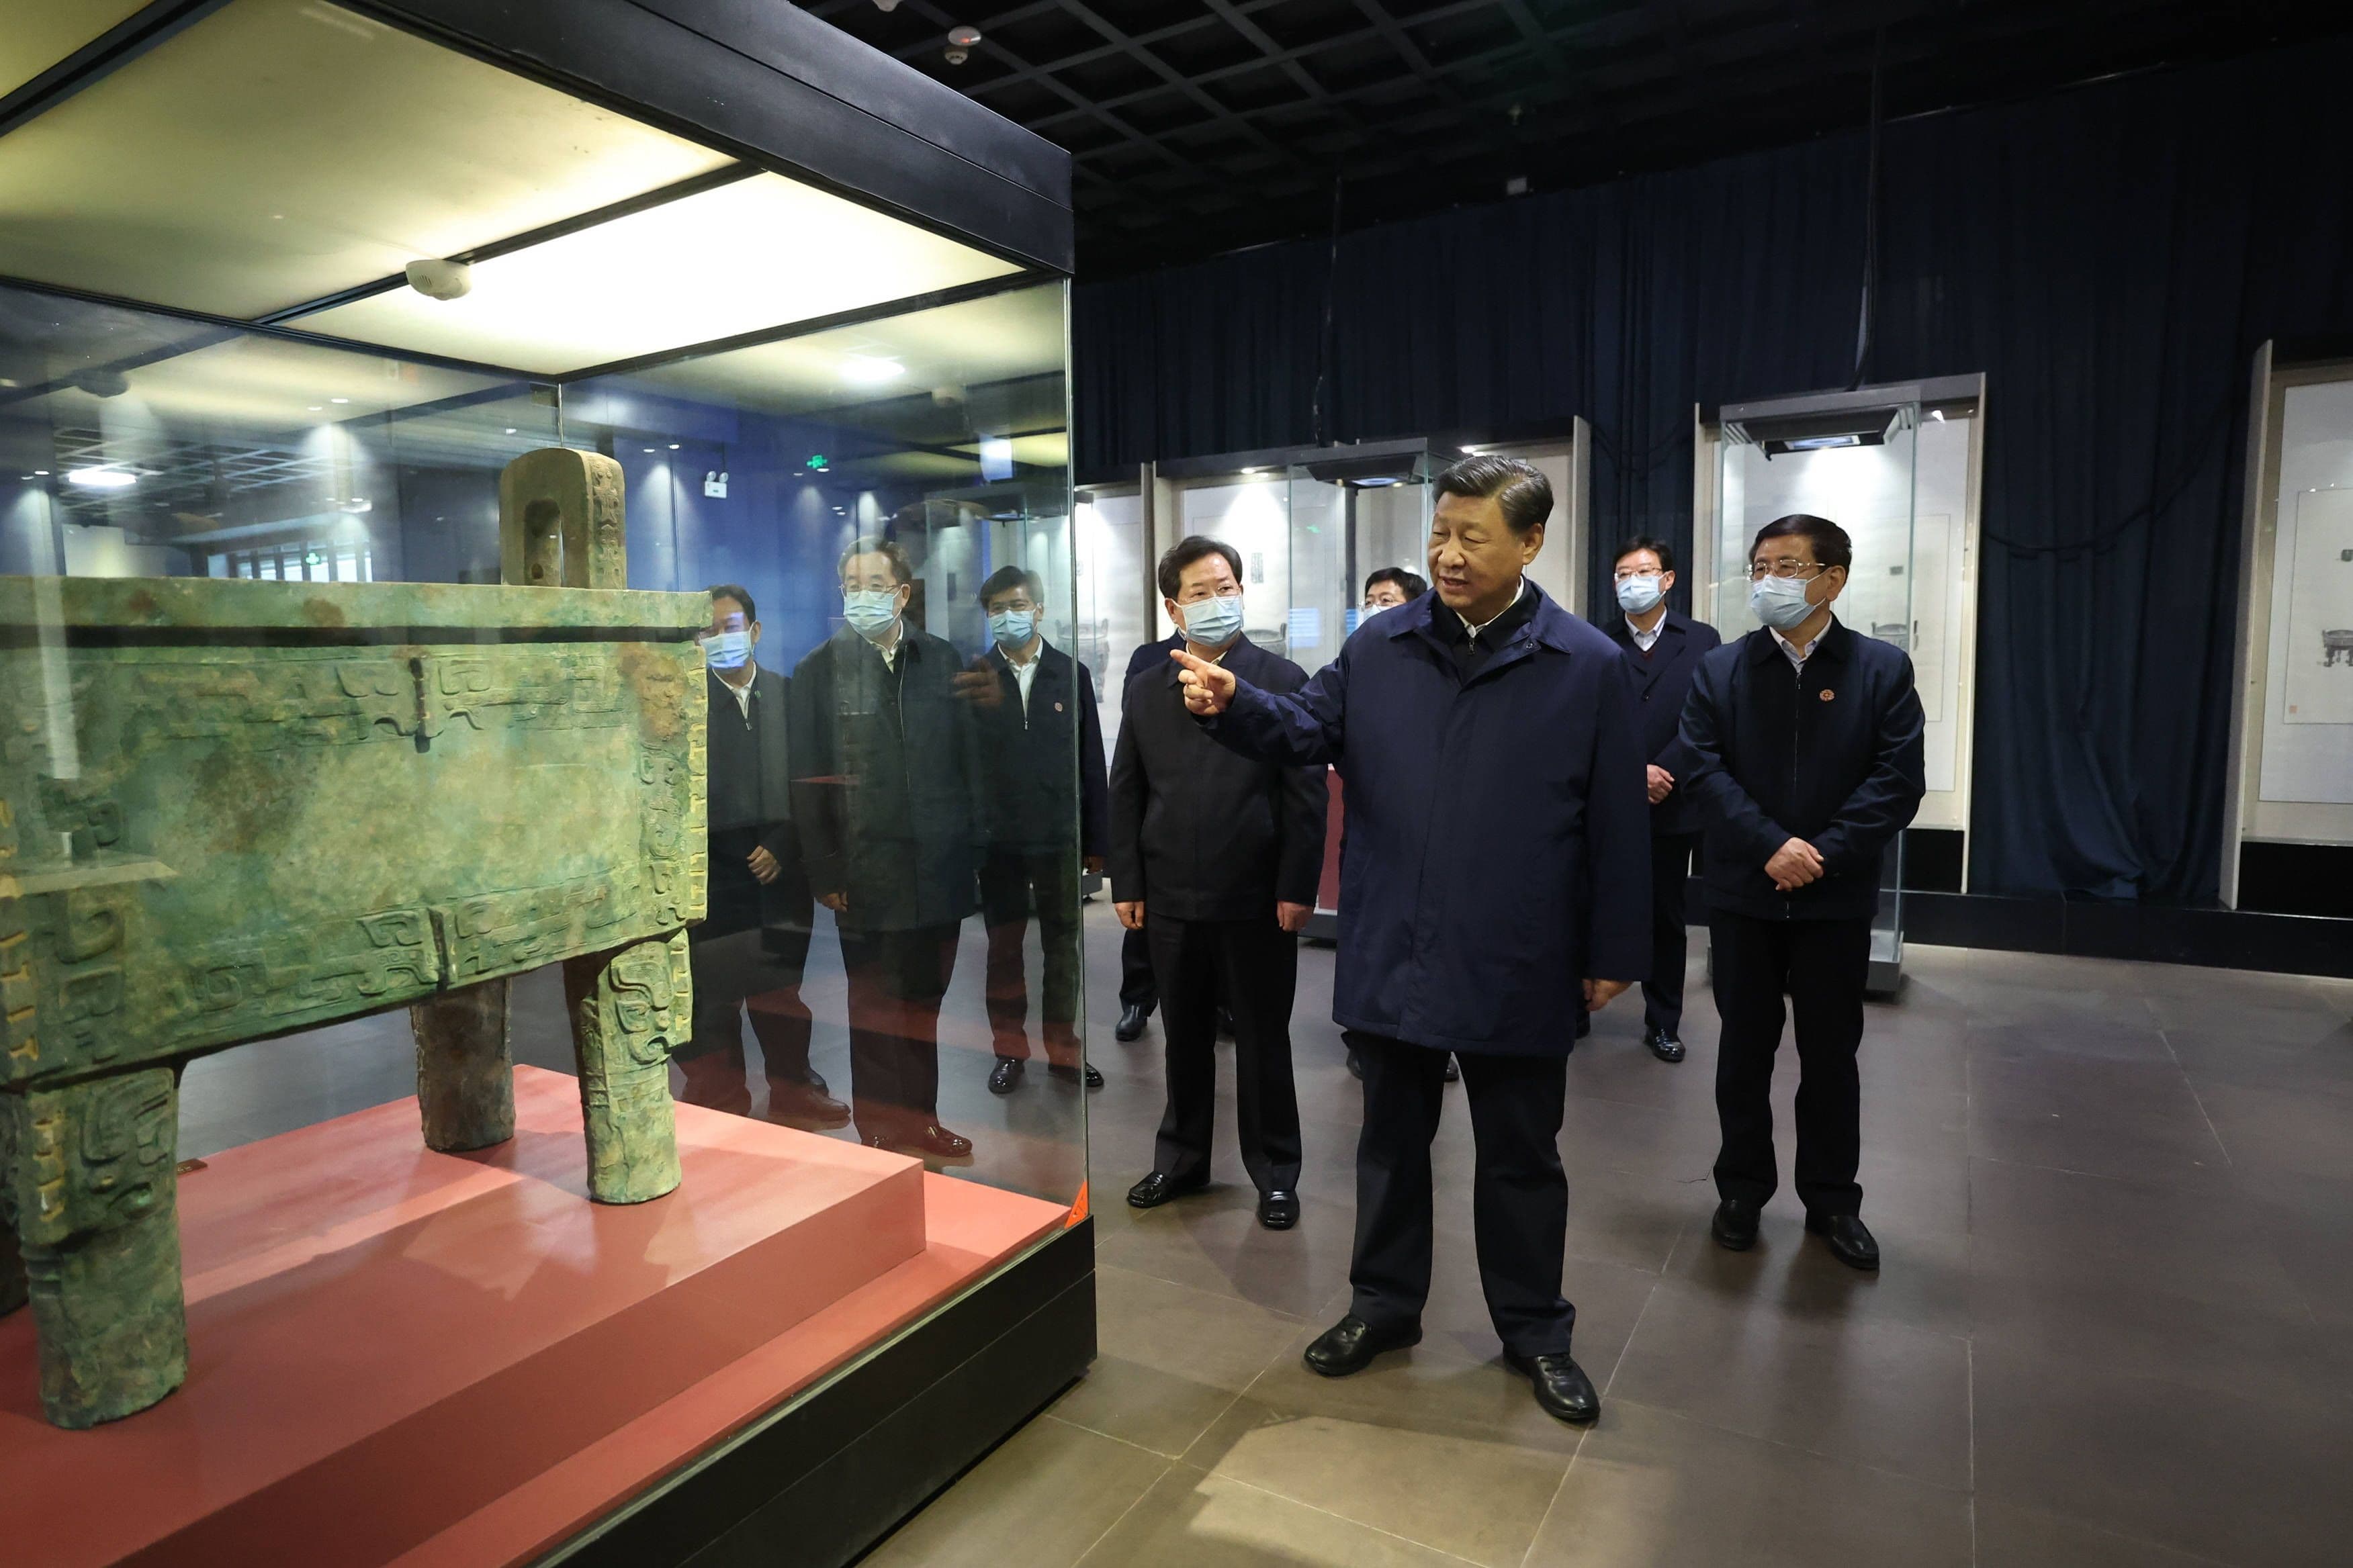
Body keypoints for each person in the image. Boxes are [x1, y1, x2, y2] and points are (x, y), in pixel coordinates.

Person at [1173, 456, 1649, 1424]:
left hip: (1518, 950)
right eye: (1439, 531)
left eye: (1473, 535)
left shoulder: (1586, 665)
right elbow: (1306, 727)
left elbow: (1614, 824)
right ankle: (1382, 1305)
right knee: (1388, 1142)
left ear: (1529, 543)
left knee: (1521, 1153)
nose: (1448, 552)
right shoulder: (1381, 645)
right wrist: (1236, 704)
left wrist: (1611, 949)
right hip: (1395, 938)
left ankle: (1533, 1329)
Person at [1678, 514, 1926, 1271]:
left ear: (1832, 579)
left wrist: (1818, 855)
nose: (1767, 581)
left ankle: (1831, 1200)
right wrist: (1768, 847)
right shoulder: (1720, 670)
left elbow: (1896, 781)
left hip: (1832, 900)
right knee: (1742, 1051)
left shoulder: (1880, 670)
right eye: (1758, 566)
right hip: (1742, 895)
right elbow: (1700, 769)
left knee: (1829, 1055)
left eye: (1785, 566)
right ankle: (1741, 1189)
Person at [1110, 535, 1326, 1231]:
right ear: (1172, 605)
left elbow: (1304, 794)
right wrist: (1127, 881)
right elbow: (1127, 789)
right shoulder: (1145, 687)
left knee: (1264, 1037)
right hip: (1169, 892)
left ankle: (1274, 1171)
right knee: (1183, 1037)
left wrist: (1297, 886)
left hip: (1257, 893)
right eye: (1199, 592)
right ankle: (1181, 1159)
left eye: (1225, 586)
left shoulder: (1281, 680)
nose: (1215, 600)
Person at [787, 535, 982, 1162]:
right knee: (873, 1002)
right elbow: (806, 777)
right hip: (865, 869)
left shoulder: (942, 658)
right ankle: (877, 1128)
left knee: (925, 1003)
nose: (862, 595)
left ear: (902, 593)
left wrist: (970, 851)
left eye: (875, 584)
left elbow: (965, 765)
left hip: (938, 867)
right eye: (851, 584)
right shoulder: (821, 669)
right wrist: (825, 868)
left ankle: (921, 1118)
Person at [674, 586, 851, 1129]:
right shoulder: (684, 704)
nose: (719, 638)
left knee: (782, 995)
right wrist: (735, 848)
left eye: (729, 626)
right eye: (708, 630)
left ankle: (794, 1090)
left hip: (783, 871)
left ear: (754, 631)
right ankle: (721, 1100)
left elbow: (814, 780)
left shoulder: (791, 695)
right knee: (714, 1000)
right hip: (715, 876)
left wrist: (782, 844)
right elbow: (680, 789)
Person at [972, 565, 1109, 1094]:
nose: (1008, 615)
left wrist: (1097, 839)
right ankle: (1009, 1052)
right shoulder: (978, 674)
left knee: (1062, 948)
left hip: (1058, 835)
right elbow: (967, 764)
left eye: (1017, 604)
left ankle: (1064, 1050)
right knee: (1003, 950)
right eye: (997, 608)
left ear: (1040, 608)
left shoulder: (1069, 673)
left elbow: (1090, 759)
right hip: (998, 843)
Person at [1599, 539, 1722, 1064]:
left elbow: (1707, 716)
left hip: (1674, 803)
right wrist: (1631, 774)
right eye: (1623, 573)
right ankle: (1578, 1004)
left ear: (1668, 579)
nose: (1633, 581)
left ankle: (1662, 1020)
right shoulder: (1595, 642)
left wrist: (1663, 769)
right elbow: (1586, 720)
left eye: (1644, 571)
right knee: (1590, 904)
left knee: (1666, 915)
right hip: (1607, 799)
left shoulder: (1701, 640)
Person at [1344, 567, 1458, 1087]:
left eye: (1384, 599)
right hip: (1380, 846)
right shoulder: (1365, 653)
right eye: (1368, 599)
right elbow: (1310, 724)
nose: (1373, 608)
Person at [1112, 627, 1181, 1045]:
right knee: (1143, 919)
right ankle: (1138, 999)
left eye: (1224, 588)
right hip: (1158, 802)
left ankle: (1222, 1004)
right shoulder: (1148, 658)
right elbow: (1132, 728)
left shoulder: (1256, 667)